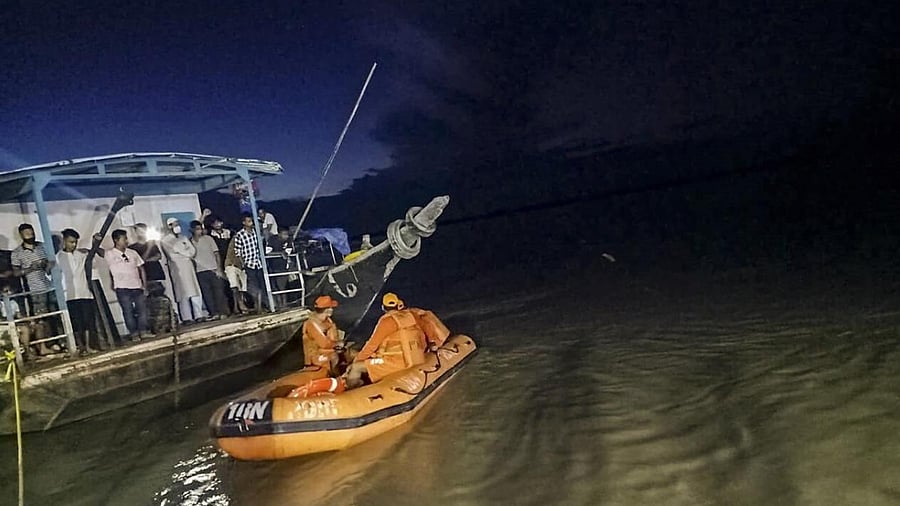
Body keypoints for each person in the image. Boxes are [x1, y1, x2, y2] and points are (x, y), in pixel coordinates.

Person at [343, 292, 427, 388]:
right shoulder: (409, 316)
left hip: (396, 362)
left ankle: (350, 391)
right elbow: (421, 336)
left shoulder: (386, 322)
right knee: (367, 360)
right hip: (413, 358)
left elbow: (372, 345)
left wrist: (356, 361)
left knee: (356, 367)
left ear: (383, 307)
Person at [98, 229, 149, 342]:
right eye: (124, 238)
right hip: (122, 287)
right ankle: (134, 333)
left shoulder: (132, 253)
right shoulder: (110, 254)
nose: (126, 241)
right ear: (116, 240)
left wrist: (144, 285)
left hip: (136, 285)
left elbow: (141, 268)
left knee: (142, 310)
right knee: (128, 311)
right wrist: (95, 241)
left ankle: (143, 331)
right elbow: (98, 251)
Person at [56, 228, 99, 355]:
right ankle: (81, 347)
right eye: (71, 242)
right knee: (76, 323)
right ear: (64, 241)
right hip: (69, 295)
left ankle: (87, 346)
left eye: (75, 242)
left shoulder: (82, 255)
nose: (73, 245)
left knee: (87, 322)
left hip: (84, 292)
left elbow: (92, 264)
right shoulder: (58, 258)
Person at [160, 217, 204, 323]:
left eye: (177, 224)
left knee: (195, 291)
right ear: (169, 226)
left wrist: (184, 253)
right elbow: (173, 255)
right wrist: (185, 253)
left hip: (189, 268)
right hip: (178, 269)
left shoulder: (183, 237)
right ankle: (186, 318)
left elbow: (192, 251)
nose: (177, 226)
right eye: (175, 224)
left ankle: (199, 315)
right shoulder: (166, 240)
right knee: (182, 293)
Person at [189, 220, 229, 318]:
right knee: (207, 294)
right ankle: (214, 313)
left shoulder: (208, 239)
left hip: (213, 269)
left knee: (218, 292)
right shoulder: (190, 242)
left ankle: (222, 312)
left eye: (201, 229)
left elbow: (216, 254)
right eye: (198, 229)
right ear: (192, 230)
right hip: (200, 271)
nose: (200, 231)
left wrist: (219, 268)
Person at [301, 295, 348, 373]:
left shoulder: (329, 321)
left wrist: (338, 345)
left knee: (347, 352)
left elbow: (333, 339)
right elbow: (324, 344)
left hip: (327, 350)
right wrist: (337, 344)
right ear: (327, 310)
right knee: (334, 357)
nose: (332, 309)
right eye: (331, 307)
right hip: (315, 356)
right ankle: (335, 378)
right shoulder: (311, 324)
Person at [233, 213, 269, 312]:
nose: (251, 223)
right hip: (249, 264)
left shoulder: (256, 232)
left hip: (258, 263)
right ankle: (258, 307)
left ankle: (264, 306)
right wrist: (243, 265)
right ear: (244, 222)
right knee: (254, 287)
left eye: (251, 221)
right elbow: (238, 252)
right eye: (248, 221)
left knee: (262, 286)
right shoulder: (240, 235)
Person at [224, 235, 250, 314]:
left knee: (241, 288)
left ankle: (238, 306)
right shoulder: (237, 238)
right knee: (235, 287)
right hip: (232, 264)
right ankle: (240, 304)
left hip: (241, 266)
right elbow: (238, 253)